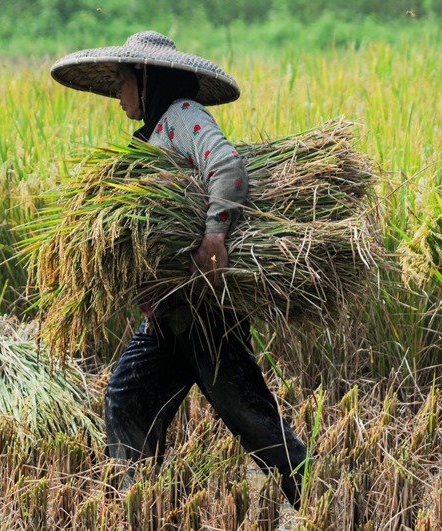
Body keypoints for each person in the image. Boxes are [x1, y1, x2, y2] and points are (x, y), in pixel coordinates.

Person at [51, 31, 308, 508]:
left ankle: (320, 498)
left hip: (207, 310)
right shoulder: (150, 138)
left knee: (251, 420)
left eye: (123, 84)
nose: (120, 97)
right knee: (126, 399)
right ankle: (136, 507)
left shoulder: (182, 117)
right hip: (167, 314)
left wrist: (215, 235)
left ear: (147, 79)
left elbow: (226, 165)